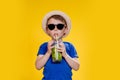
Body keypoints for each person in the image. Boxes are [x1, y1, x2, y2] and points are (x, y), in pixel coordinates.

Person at [35, 10, 80, 80]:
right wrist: (48, 52)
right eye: (51, 26)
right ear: (47, 30)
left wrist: (65, 55)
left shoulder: (69, 46)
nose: (55, 29)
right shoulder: (44, 46)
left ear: (65, 29)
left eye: (59, 26)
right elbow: (38, 66)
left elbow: (76, 67)